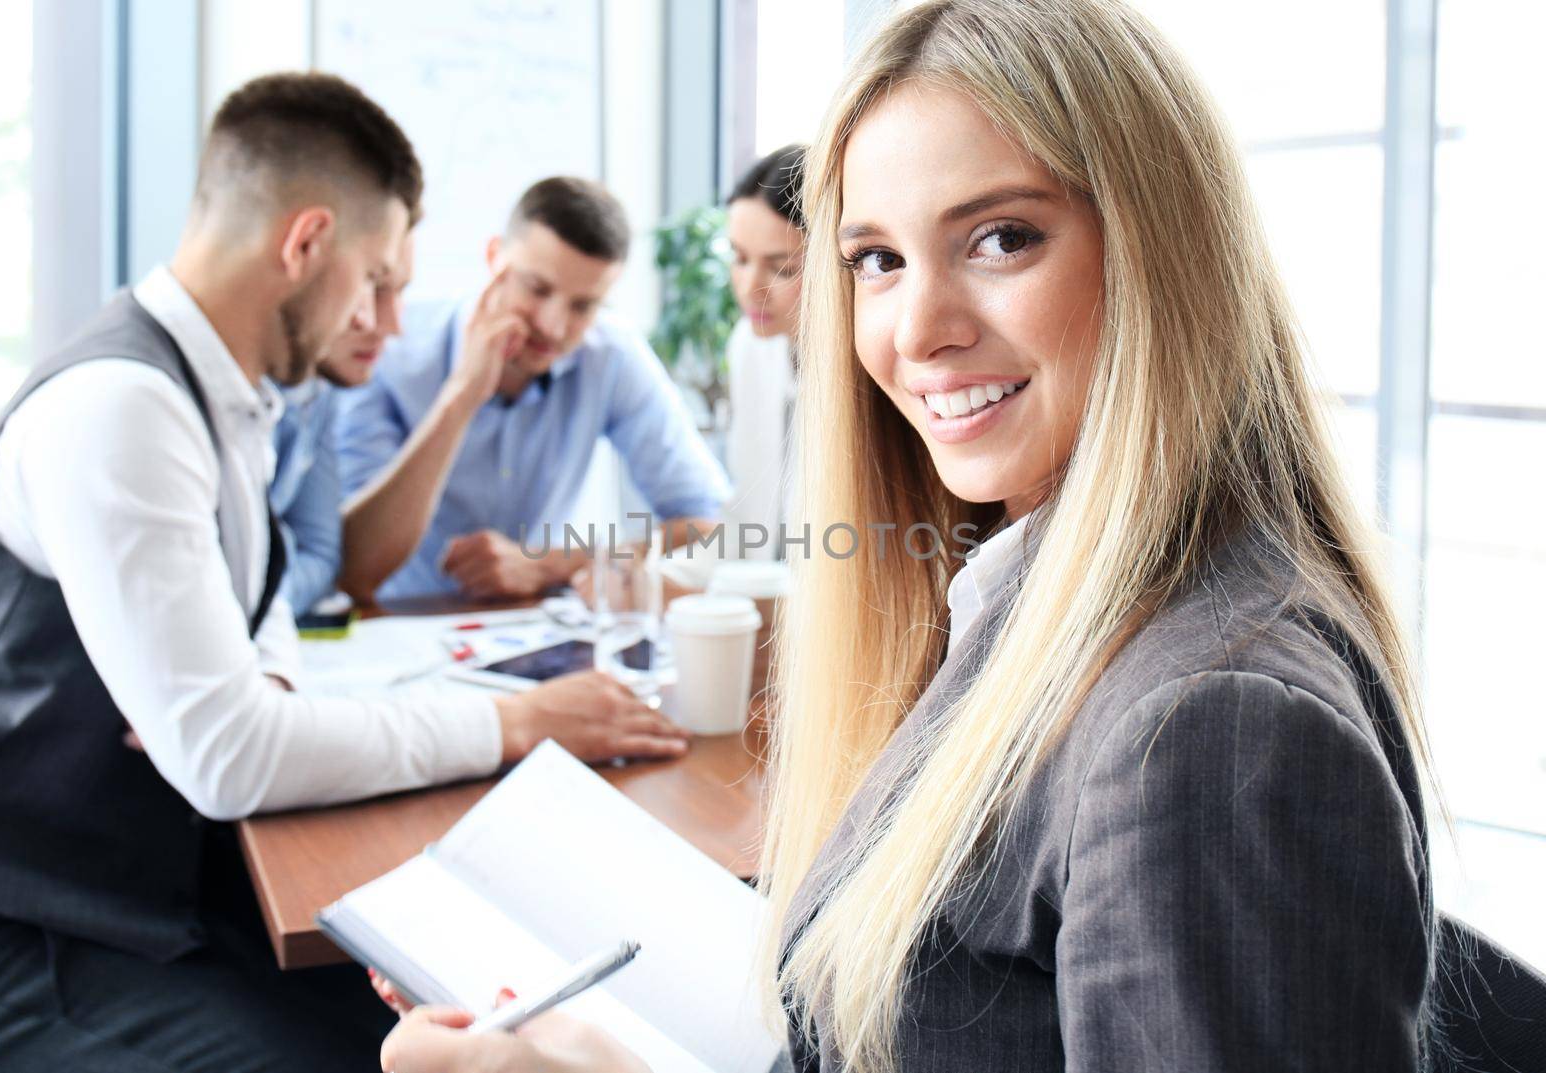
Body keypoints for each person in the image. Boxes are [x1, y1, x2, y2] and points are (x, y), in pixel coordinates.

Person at [374, 0, 1447, 1069]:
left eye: (1002, 237)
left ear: (1163, 252)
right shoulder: (1025, 591)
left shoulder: (1210, 733)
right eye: (875, 260)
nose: (916, 329)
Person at [0, 73, 685, 1072]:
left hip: (139, 875)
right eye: (376, 278)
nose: (384, 317)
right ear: (305, 244)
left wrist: (268, 690)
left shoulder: (228, 397)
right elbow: (230, 758)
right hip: (16, 918)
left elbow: (266, 610)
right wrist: (517, 719)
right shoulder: (122, 407)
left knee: (431, 1009)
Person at [334, 177, 730, 604]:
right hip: (399, 622)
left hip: (534, 623)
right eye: (537, 289)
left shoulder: (610, 356)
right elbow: (353, 566)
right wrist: (463, 394)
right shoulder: (387, 354)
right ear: (494, 259)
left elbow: (706, 527)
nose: (553, 326)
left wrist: (549, 565)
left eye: (583, 306)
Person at [270, 223, 415, 613]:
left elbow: (321, 556)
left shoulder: (320, 390)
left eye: (401, 291)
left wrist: (261, 606)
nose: (388, 324)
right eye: (372, 284)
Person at [723, 144, 806, 558]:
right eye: (739, 258)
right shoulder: (750, 346)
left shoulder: (878, 364)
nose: (749, 287)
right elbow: (747, 510)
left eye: (782, 267)